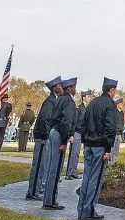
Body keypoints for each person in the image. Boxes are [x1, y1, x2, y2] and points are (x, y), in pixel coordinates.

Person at [77, 78, 118, 220]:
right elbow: (110, 128)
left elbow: (83, 123)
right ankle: (88, 210)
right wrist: (108, 149)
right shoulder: (110, 104)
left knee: (86, 178)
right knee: (96, 179)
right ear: (111, 90)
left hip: (89, 144)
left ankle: (82, 208)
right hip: (100, 146)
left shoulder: (93, 103)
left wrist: (84, 141)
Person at [42, 77, 77, 210]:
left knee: (52, 166)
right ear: (69, 88)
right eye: (74, 87)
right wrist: (64, 141)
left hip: (54, 131)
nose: (75, 90)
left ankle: (48, 199)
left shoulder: (60, 100)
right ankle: (49, 201)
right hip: (59, 135)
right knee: (55, 169)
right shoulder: (68, 102)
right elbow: (66, 121)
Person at [26, 76, 61, 201]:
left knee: (43, 165)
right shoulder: (50, 101)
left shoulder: (54, 100)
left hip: (44, 137)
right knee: (39, 164)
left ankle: (37, 188)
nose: (62, 88)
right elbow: (46, 119)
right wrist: (46, 136)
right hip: (42, 137)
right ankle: (32, 192)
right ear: (55, 88)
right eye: (60, 85)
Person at [65, 89, 91, 179]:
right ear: (83, 98)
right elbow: (75, 122)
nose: (90, 98)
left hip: (81, 133)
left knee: (76, 154)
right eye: (88, 96)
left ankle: (73, 172)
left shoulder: (85, 108)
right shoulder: (80, 108)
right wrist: (71, 134)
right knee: (73, 153)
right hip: (77, 132)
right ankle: (69, 173)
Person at [110, 98, 125, 164]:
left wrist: (121, 132)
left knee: (116, 150)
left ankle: (114, 164)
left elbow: (122, 123)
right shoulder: (114, 112)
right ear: (117, 104)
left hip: (119, 133)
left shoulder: (122, 112)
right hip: (114, 133)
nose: (122, 105)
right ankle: (110, 164)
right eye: (121, 104)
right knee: (112, 150)